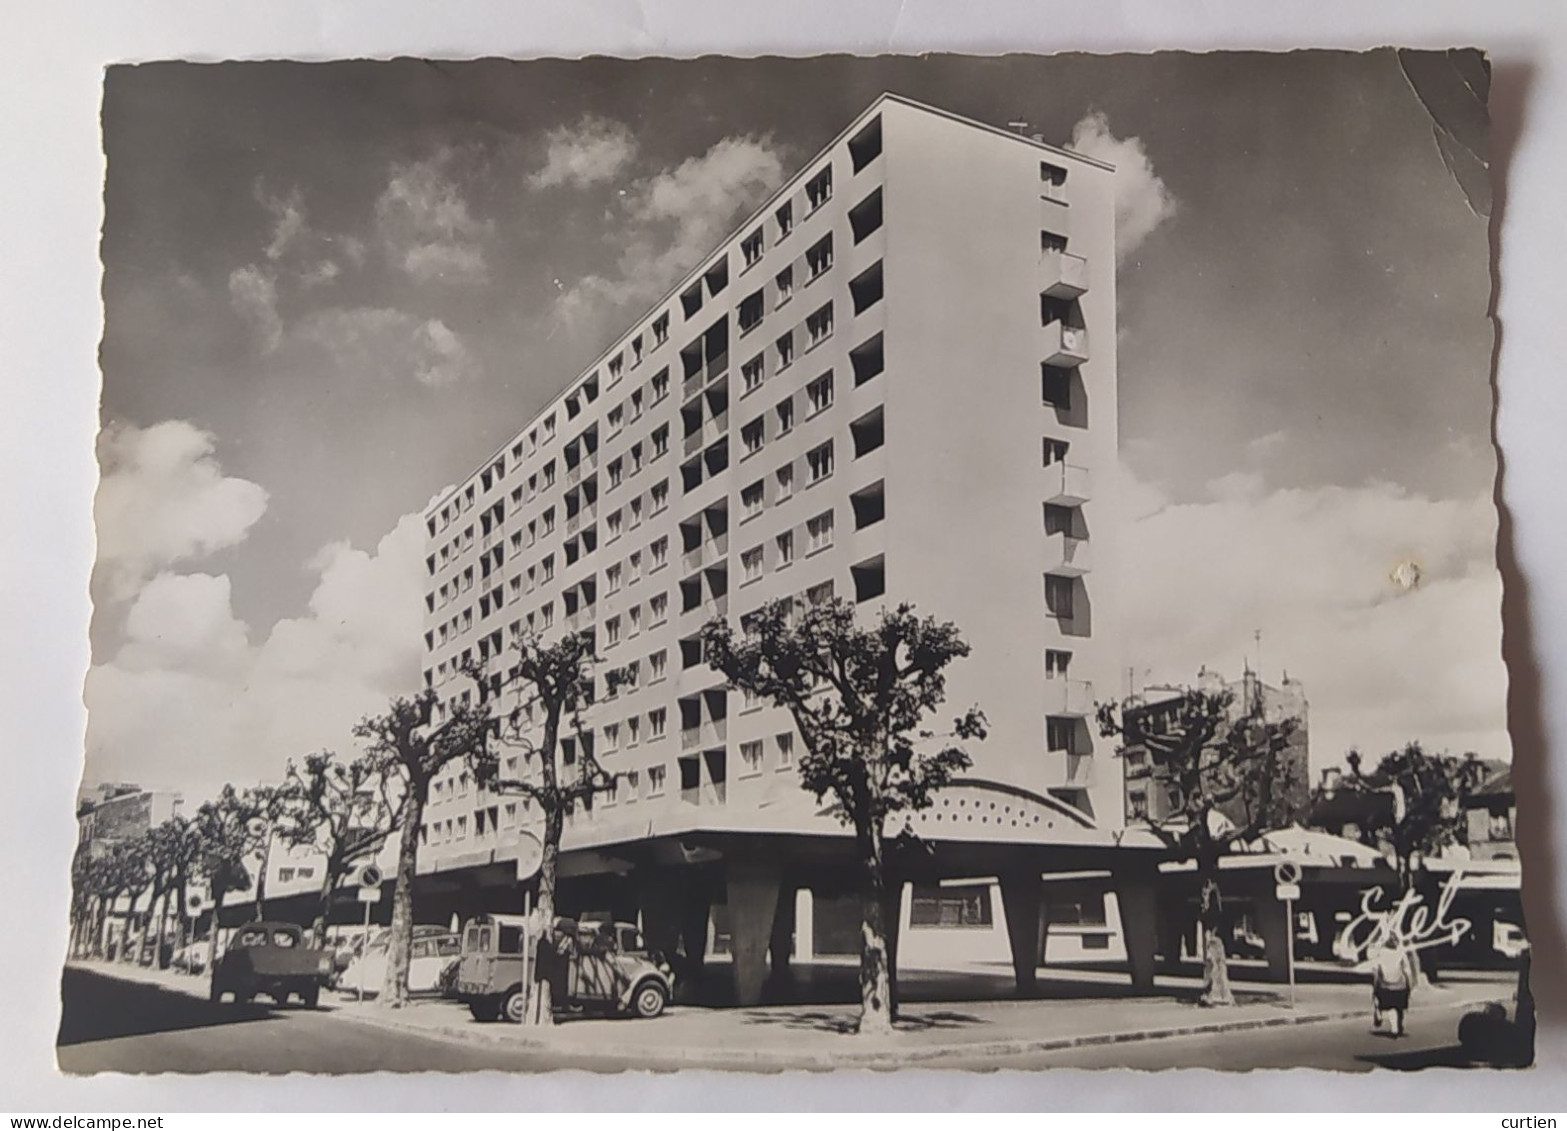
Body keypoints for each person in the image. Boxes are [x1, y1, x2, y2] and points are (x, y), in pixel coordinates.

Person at [1371, 937, 1413, 1037]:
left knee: (1385, 1002)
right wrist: (1410, 986)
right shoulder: (1401, 953)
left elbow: (1376, 971)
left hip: (1385, 985)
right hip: (1400, 985)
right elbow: (1408, 971)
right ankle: (1398, 1025)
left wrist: (1375, 986)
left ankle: (1379, 1011)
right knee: (1399, 1007)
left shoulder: (1380, 954)